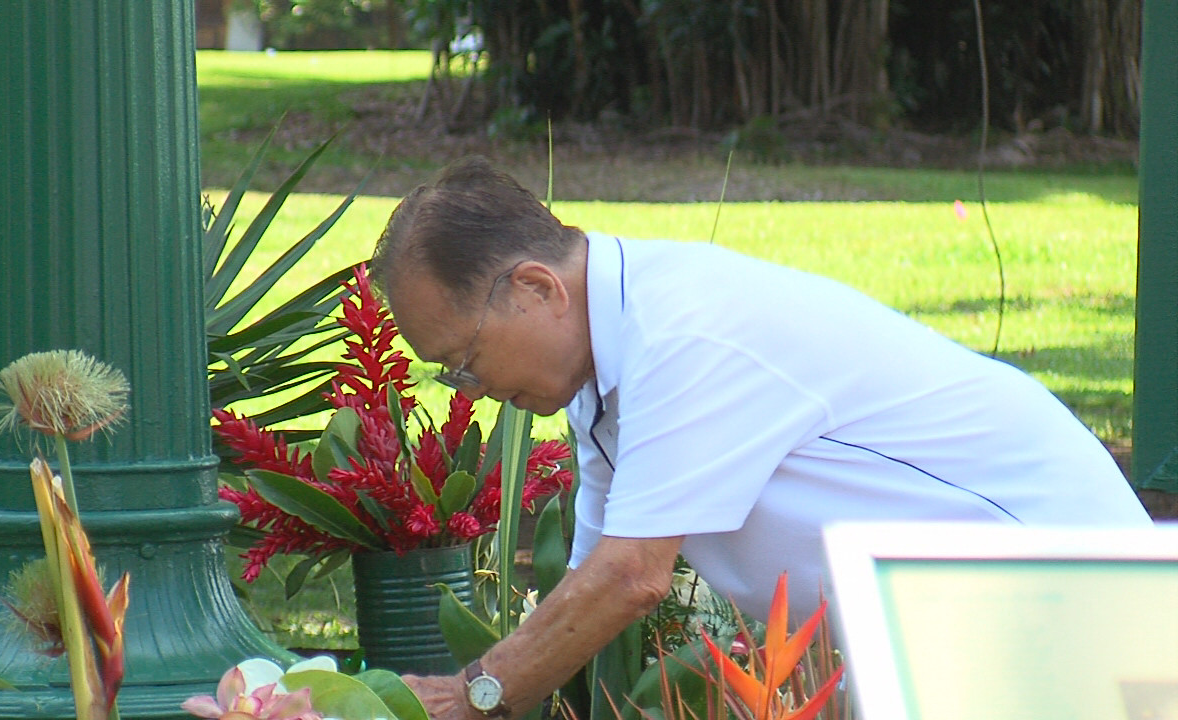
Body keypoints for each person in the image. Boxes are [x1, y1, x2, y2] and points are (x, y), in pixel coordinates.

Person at [369, 156, 1151, 720]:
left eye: (464, 360)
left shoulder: (680, 332)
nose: (471, 390)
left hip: (1066, 605)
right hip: (965, 624)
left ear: (537, 287)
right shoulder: (604, 371)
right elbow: (589, 589)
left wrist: (476, 694)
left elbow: (631, 577)